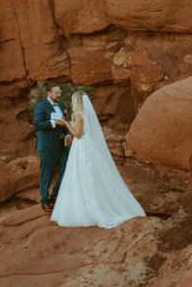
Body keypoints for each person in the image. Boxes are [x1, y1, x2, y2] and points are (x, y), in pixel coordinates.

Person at [50, 91, 146, 228]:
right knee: (89, 175)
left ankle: (86, 210)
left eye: (73, 100)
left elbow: (77, 135)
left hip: (81, 148)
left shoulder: (78, 114)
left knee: (80, 176)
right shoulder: (86, 114)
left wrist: (65, 123)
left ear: (76, 101)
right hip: (89, 146)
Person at [33, 83, 70, 212]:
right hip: (47, 147)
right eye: (56, 93)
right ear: (49, 93)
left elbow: (64, 122)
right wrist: (53, 122)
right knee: (46, 174)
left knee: (67, 169)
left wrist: (68, 135)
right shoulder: (41, 107)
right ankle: (44, 201)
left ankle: (55, 195)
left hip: (62, 146)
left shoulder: (61, 105)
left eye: (60, 92)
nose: (59, 95)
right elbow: (37, 124)